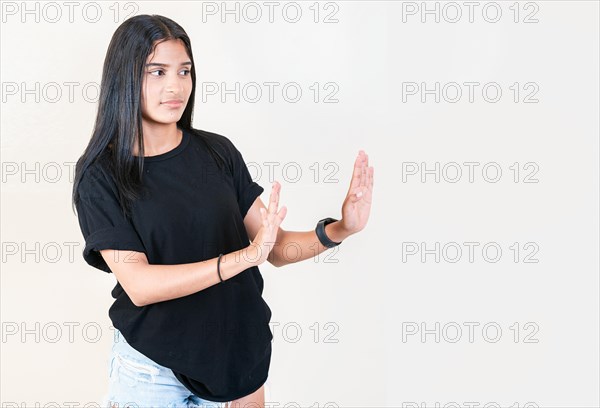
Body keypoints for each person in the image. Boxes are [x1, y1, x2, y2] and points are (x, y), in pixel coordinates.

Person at [71, 14, 374, 408]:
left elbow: (277, 249)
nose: (175, 86)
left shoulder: (218, 152)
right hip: (152, 373)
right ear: (124, 78)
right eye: (157, 72)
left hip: (235, 356)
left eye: (184, 71)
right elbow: (140, 285)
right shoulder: (102, 174)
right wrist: (241, 259)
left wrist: (339, 229)